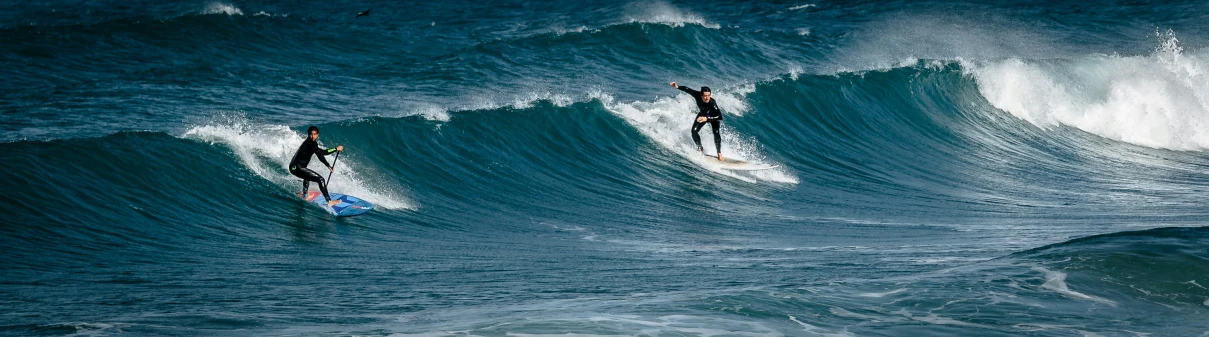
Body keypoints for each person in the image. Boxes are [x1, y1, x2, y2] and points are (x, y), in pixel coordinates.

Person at [289, 126, 343, 207]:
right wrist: (336, 149)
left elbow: (320, 155)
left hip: (293, 167)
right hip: (297, 167)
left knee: (307, 176)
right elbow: (323, 152)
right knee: (321, 180)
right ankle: (329, 201)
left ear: (317, 135)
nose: (313, 136)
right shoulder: (310, 143)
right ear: (308, 134)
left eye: (314, 134)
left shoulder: (311, 144)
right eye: (311, 134)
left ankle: (305, 195)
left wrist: (328, 165)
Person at [669, 81, 724, 160]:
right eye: (705, 96)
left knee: (716, 132)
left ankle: (719, 153)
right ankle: (700, 148)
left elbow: (719, 116)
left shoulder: (712, 102)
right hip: (702, 114)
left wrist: (707, 118)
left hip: (713, 117)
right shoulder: (697, 95)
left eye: (709, 95)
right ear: (701, 95)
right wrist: (677, 87)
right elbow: (687, 89)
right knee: (694, 131)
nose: (707, 98)